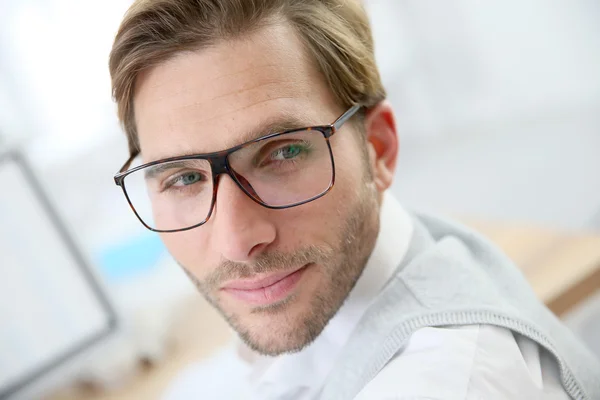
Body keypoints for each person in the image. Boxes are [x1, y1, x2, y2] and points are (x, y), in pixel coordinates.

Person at [108, 1, 600, 398]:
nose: (237, 241)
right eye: (181, 179)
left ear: (378, 148)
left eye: (283, 152)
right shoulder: (329, 293)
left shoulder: (450, 382)